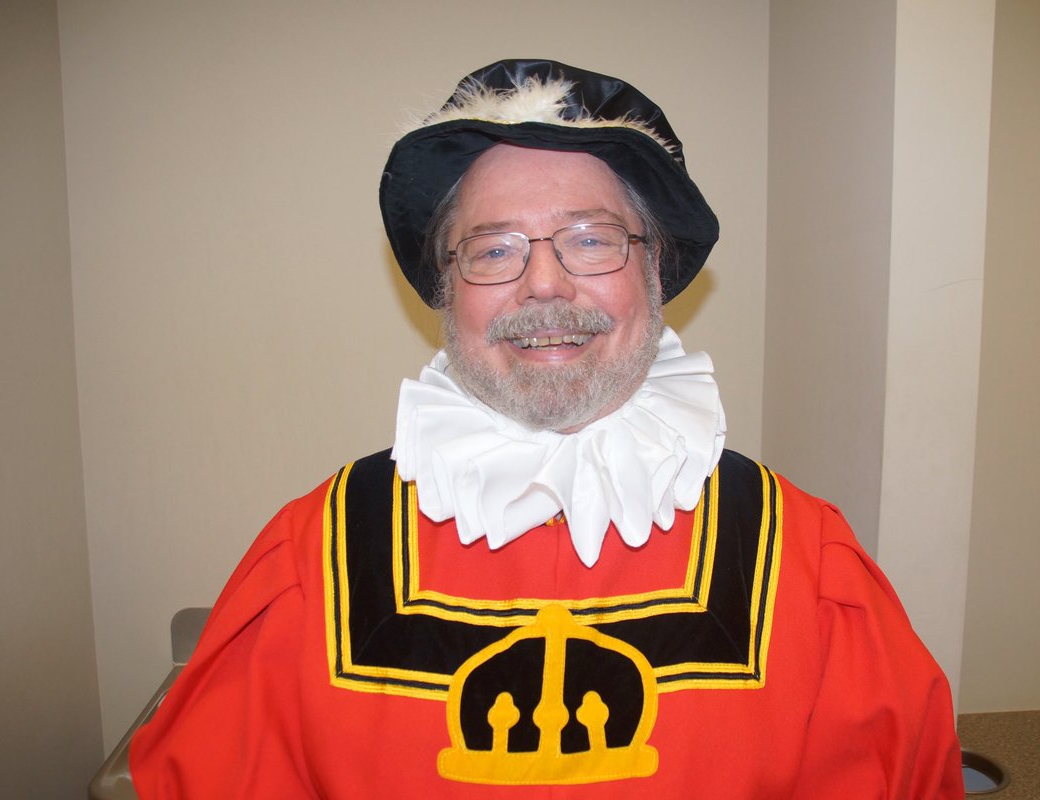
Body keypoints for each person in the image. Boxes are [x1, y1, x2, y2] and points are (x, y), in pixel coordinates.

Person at [129, 59, 963, 798]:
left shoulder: (809, 564)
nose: (543, 285)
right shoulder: (307, 560)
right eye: (493, 250)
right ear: (447, 291)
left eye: (590, 240)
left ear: (655, 270)